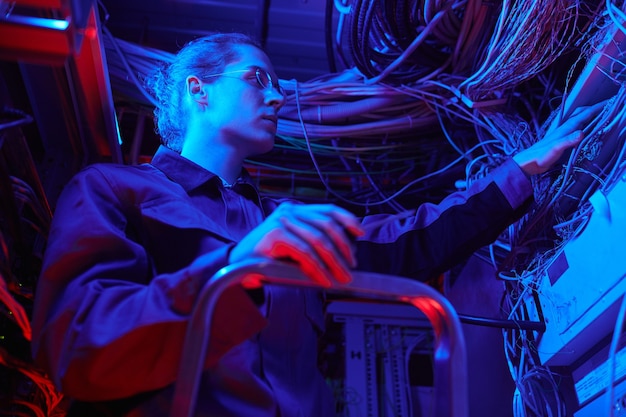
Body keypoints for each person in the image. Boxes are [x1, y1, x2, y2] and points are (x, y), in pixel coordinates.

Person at [30, 32, 603, 416]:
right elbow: (80, 346)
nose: (278, 95)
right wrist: (235, 271)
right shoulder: (113, 190)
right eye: (258, 78)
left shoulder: (284, 226)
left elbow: (408, 242)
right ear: (197, 91)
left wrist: (519, 171)